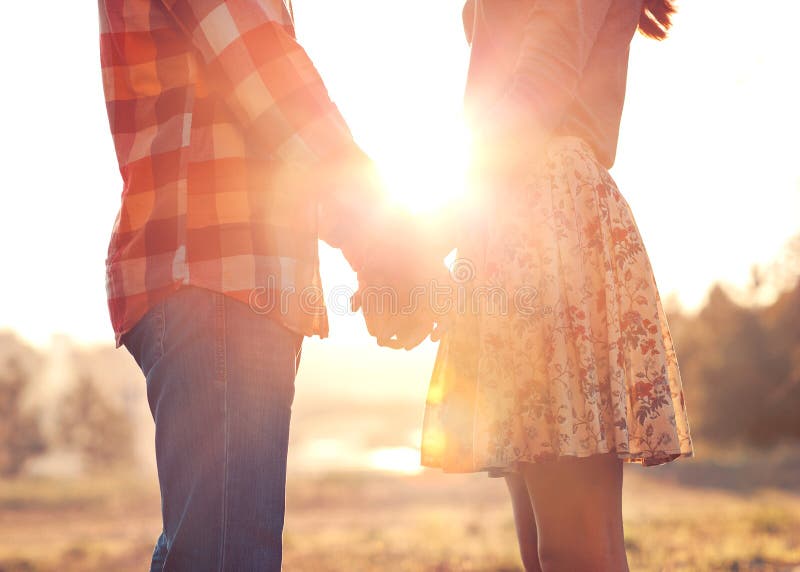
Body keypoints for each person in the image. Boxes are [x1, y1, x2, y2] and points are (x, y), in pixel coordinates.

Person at [97, 1, 434, 569]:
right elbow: (274, 86)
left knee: (216, 546)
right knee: (228, 554)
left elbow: (272, 143)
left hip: (219, 279)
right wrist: (389, 244)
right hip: (217, 274)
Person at [399, 0, 695, 570]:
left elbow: (535, 93)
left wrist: (417, 244)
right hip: (511, 219)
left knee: (571, 548)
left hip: (546, 222)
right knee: (545, 542)